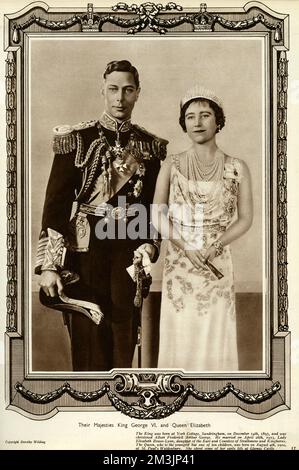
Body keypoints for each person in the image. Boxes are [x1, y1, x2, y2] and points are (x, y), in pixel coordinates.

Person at [35, 60, 168, 371]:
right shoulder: (77, 139)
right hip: (85, 248)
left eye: (127, 90)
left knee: (124, 334)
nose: (119, 98)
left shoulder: (149, 146)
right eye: (113, 89)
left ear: (138, 94)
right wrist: (49, 266)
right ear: (103, 91)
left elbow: (152, 206)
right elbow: (55, 206)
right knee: (88, 335)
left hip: (128, 249)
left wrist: (151, 244)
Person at [152, 85, 253, 370]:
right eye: (190, 116)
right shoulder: (171, 165)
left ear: (218, 121)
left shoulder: (237, 167)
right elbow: (157, 213)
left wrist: (214, 246)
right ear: (183, 123)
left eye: (205, 115)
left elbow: (245, 218)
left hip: (217, 260)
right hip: (180, 261)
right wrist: (185, 246)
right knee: (181, 331)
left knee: (214, 329)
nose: (197, 122)